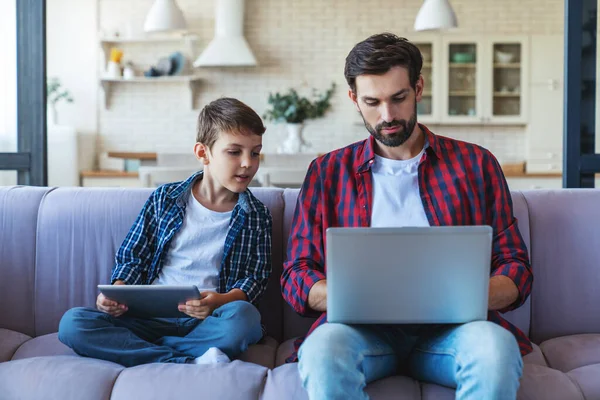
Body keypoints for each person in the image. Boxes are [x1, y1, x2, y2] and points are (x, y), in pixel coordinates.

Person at [281, 33, 533, 400]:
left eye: (398, 98)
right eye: (372, 102)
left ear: (418, 87)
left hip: (453, 332)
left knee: (496, 349)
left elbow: (516, 267)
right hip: (359, 333)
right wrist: (352, 297)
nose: (387, 116)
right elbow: (296, 274)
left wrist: (467, 295)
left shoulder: (476, 164)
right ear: (353, 98)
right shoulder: (327, 172)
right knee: (322, 351)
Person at [59, 97, 272, 367]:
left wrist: (220, 301)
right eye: (234, 152)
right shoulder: (164, 199)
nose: (247, 163)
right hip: (147, 319)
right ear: (202, 153)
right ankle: (187, 359)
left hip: (208, 320)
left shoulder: (257, 214)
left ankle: (146, 353)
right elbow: (132, 257)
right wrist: (118, 293)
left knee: (246, 319)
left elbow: (255, 279)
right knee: (73, 324)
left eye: (255, 152)